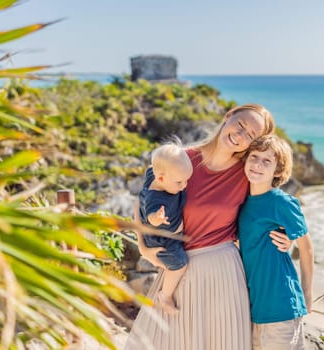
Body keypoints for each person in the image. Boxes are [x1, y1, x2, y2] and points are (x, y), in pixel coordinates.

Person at [124, 103, 292, 350]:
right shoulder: (180, 159)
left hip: (224, 273)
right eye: (240, 125)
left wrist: (288, 237)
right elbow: (142, 205)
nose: (240, 135)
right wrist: (143, 248)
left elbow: (267, 211)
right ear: (228, 117)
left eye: (251, 135)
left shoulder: (247, 174)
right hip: (178, 268)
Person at [238, 134, 314, 350]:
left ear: (278, 170)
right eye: (254, 156)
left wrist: (307, 293)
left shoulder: (281, 202)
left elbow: (306, 248)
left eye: (267, 161)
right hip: (255, 308)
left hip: (281, 304)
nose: (257, 164)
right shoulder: (243, 201)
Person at [138, 139, 192, 314]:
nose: (184, 186)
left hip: (165, 233)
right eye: (179, 182)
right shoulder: (157, 199)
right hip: (162, 239)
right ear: (160, 178)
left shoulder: (155, 174)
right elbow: (150, 215)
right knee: (180, 265)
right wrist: (157, 218)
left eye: (186, 180)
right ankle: (165, 295)